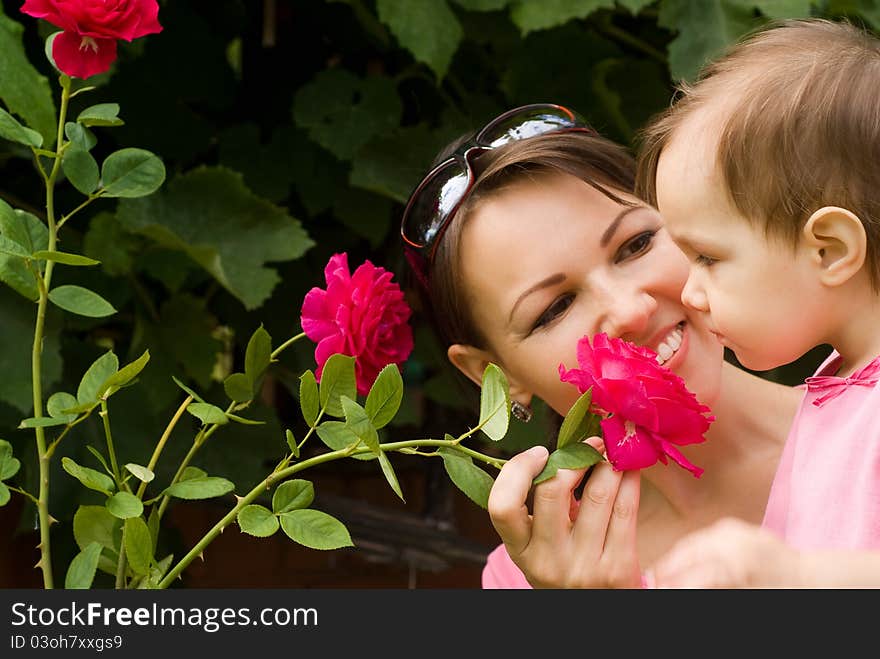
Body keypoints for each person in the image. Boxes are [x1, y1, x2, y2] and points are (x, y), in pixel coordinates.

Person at [399, 103, 801, 588]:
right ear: (497, 376)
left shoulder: (868, 416)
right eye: (555, 308)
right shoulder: (529, 583)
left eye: (636, 245)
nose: (631, 311)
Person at [634, 18, 880, 587]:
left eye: (709, 258)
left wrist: (797, 576)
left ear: (830, 250)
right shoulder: (833, 389)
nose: (690, 292)